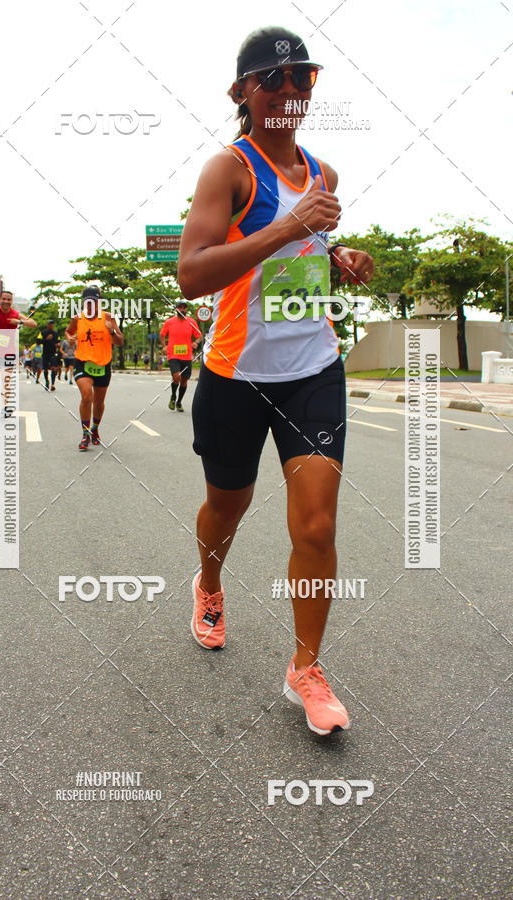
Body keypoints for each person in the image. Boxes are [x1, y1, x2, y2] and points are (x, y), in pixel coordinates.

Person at [178, 26, 374, 736]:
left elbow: (306, 252)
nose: (292, 92)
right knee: (226, 509)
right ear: (244, 93)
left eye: (305, 78)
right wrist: (290, 228)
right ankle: (208, 585)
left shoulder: (325, 174)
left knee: (317, 522)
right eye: (276, 79)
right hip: (235, 375)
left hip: (312, 370)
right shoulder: (227, 170)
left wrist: (339, 254)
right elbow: (193, 273)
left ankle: (307, 666)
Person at [65, 285, 123, 450]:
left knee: (99, 402)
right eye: (88, 302)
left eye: (94, 302)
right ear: (84, 303)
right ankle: (85, 434)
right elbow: (68, 331)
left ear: (99, 302)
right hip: (82, 362)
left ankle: (95, 429)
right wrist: (70, 338)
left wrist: (112, 332)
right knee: (86, 395)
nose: (91, 305)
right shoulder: (77, 318)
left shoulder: (108, 317)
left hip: (103, 364)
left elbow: (120, 341)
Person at [159, 301, 201, 411]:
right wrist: (164, 346)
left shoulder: (192, 322)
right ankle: (173, 396)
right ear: (176, 309)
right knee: (176, 376)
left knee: (184, 381)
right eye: (180, 308)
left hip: (187, 356)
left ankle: (179, 402)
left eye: (184, 308)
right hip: (173, 354)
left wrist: (196, 342)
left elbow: (199, 336)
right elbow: (162, 335)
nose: (182, 310)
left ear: (186, 310)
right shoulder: (169, 322)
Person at [38, 319, 59, 391]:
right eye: (50, 324)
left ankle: (53, 384)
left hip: (53, 353)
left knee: (54, 368)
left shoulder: (56, 333)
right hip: (45, 354)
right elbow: (38, 342)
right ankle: (47, 381)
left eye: (52, 324)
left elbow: (59, 341)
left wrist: (58, 344)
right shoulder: (43, 332)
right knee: (46, 369)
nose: (51, 325)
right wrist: (46, 339)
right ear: (47, 325)